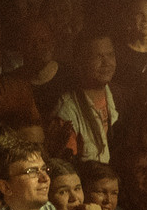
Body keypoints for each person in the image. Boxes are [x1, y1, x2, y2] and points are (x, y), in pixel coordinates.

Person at [51, 33, 125, 165]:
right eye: (98, 56)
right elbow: (66, 166)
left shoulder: (119, 97)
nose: (106, 63)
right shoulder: (67, 110)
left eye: (110, 55)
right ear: (81, 62)